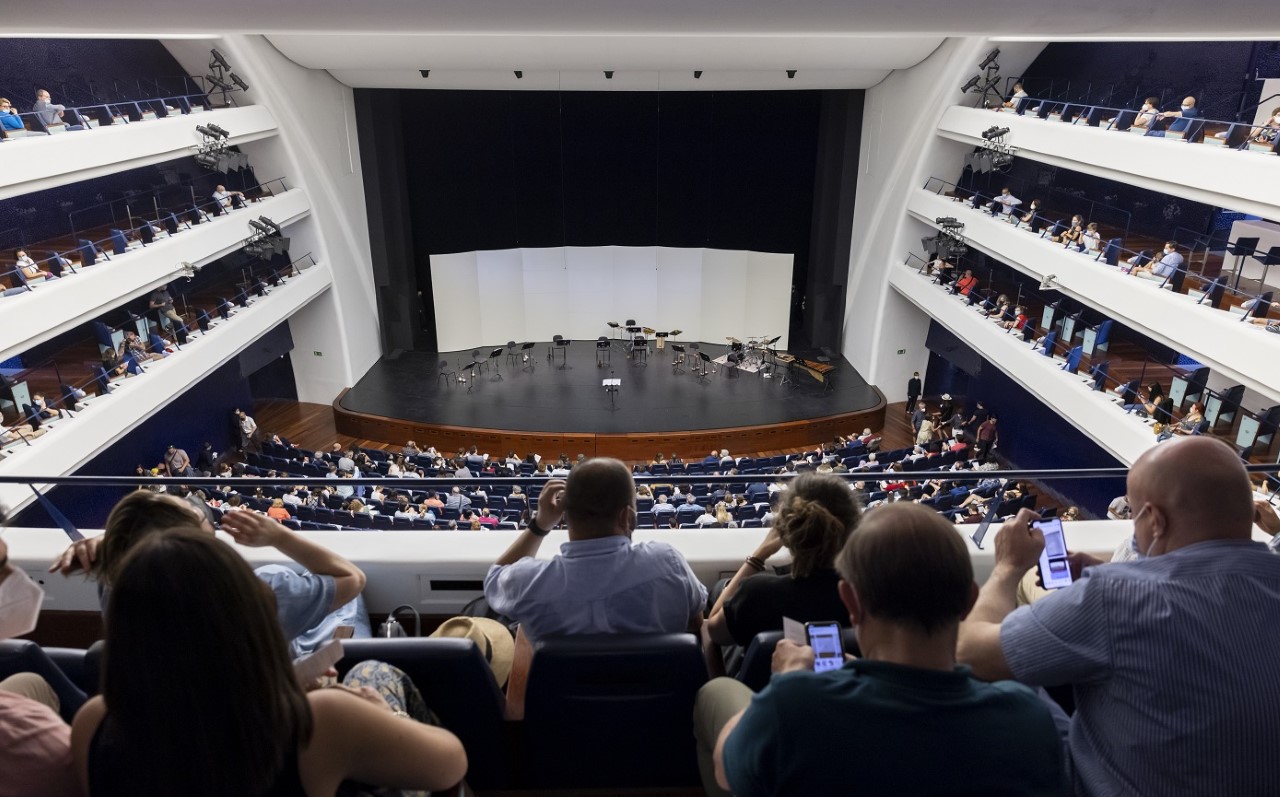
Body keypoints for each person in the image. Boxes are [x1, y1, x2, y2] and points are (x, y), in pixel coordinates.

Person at [957, 436, 1280, 797]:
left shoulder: (1116, 597)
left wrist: (1008, 566)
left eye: (1135, 511)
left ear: (1155, 520)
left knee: (1015, 683)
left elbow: (969, 653)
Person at [697, 504, 1066, 797]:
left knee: (717, 693)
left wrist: (789, 678)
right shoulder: (1027, 718)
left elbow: (725, 771)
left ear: (851, 603)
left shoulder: (794, 705)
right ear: (969, 601)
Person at [69, 529, 468, 796]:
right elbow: (450, 765)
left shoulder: (93, 721)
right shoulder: (320, 719)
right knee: (373, 673)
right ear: (250, 619)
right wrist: (386, 716)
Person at [50, 490, 371, 656]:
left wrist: (110, 541)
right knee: (348, 602)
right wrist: (278, 536)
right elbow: (352, 578)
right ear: (204, 548)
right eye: (196, 515)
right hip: (272, 688)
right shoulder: (257, 596)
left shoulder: (121, 591)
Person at [483, 459, 707, 640]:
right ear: (625, 516)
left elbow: (494, 579)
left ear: (564, 514)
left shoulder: (528, 581)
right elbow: (695, 624)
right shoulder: (668, 562)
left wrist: (540, 525)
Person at [703, 473, 861, 654]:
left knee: (720, 589)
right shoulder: (870, 592)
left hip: (764, 680)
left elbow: (714, 631)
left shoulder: (758, 593)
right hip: (849, 679)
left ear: (786, 528)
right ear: (855, 525)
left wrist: (759, 556)